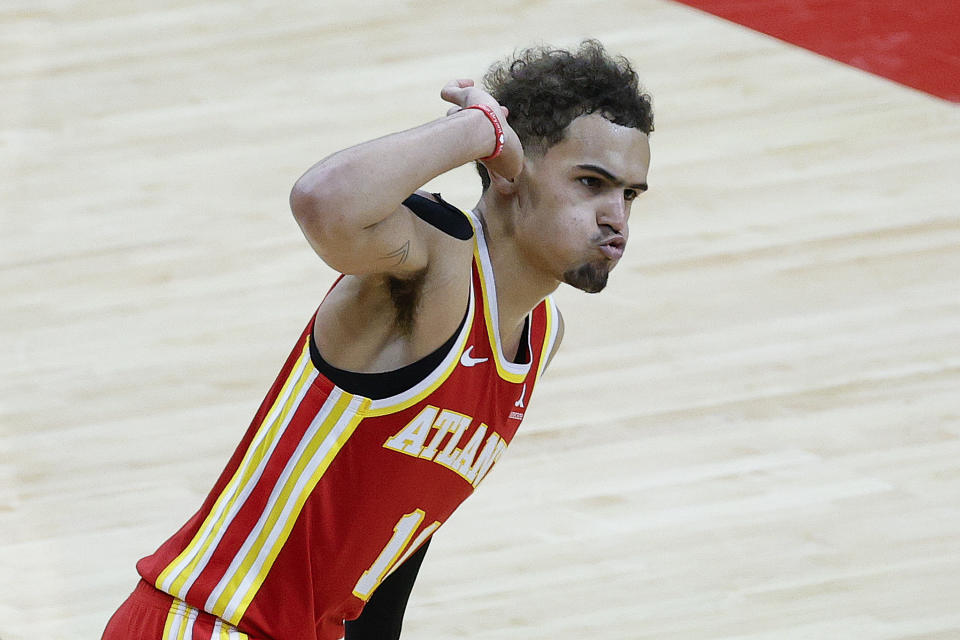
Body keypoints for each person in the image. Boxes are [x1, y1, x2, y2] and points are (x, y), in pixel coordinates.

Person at [102, 39, 654, 640]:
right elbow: (323, 201)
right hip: (207, 622)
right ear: (510, 174)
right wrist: (477, 132)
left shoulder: (540, 335)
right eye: (591, 183)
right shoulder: (434, 260)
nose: (616, 218)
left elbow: (394, 542)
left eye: (628, 194)